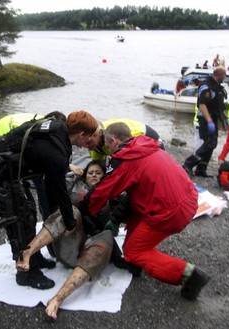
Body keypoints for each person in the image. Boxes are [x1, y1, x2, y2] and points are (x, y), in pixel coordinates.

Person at [79, 122, 209, 301]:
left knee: (134, 252)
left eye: (109, 146)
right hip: (186, 197)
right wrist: (116, 220)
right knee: (134, 222)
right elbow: (133, 194)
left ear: (115, 141)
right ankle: (138, 259)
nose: (109, 150)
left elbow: (102, 191)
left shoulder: (126, 159)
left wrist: (81, 208)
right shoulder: (147, 145)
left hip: (171, 212)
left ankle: (191, 275)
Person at [0, 111, 98, 290]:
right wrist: (70, 222)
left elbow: (50, 184)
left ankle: (35, 257)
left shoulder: (58, 130)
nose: (89, 142)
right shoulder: (56, 150)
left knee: (29, 212)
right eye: (89, 137)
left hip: (7, 168)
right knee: (18, 219)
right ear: (81, 134)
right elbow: (58, 189)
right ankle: (25, 274)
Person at [15, 160, 117, 320]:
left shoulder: (110, 192)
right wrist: (71, 173)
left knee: (107, 236)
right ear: (85, 175)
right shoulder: (75, 186)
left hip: (91, 250)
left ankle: (57, 299)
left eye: (98, 173)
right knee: (70, 212)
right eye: (91, 172)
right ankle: (28, 251)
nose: (95, 175)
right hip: (71, 244)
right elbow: (57, 189)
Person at [183, 66, 227, 177]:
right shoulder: (207, 87)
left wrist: (225, 119)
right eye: (224, 75)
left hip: (213, 118)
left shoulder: (217, 87)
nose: (225, 77)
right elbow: (202, 104)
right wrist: (209, 121)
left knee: (212, 144)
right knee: (209, 144)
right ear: (219, 75)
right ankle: (188, 163)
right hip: (206, 119)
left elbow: (218, 106)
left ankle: (201, 168)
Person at [88, 118, 163, 162]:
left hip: (146, 134)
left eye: (89, 142)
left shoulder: (120, 138)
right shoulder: (93, 144)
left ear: (99, 134)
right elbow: (98, 165)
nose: (85, 146)